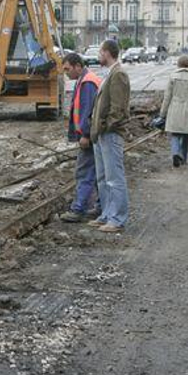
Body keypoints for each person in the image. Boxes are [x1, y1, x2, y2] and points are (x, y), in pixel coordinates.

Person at [89, 39, 131, 233]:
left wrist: (106, 126)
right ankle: (107, 214)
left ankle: (117, 218)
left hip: (110, 134)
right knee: (103, 178)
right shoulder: (110, 74)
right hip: (101, 134)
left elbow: (119, 108)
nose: (99, 56)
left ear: (107, 53)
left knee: (114, 178)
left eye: (100, 52)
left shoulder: (118, 74)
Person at [59, 52, 102, 223]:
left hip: (89, 137)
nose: (66, 73)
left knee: (84, 172)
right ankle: (100, 206)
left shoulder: (87, 83)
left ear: (78, 66)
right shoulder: (85, 80)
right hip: (92, 136)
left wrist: (85, 134)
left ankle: (79, 209)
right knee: (97, 172)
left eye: (68, 69)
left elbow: (87, 111)